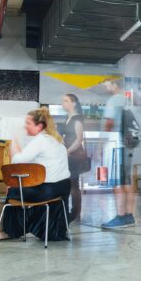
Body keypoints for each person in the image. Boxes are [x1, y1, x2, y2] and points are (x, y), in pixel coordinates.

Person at [4, 107, 72, 240]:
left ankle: (13, 231)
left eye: (28, 123)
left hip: (47, 191)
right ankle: (45, 230)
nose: (26, 126)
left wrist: (14, 141)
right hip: (63, 189)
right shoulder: (57, 140)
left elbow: (17, 161)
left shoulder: (41, 140)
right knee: (24, 189)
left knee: (12, 190)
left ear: (39, 126)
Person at [101, 79, 137, 228]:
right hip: (127, 145)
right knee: (127, 181)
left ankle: (120, 216)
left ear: (115, 85)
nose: (105, 86)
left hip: (116, 144)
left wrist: (101, 142)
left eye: (107, 83)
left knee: (117, 181)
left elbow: (109, 123)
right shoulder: (127, 100)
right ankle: (129, 215)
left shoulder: (114, 100)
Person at [60, 94, 89, 222]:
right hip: (69, 155)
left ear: (74, 103)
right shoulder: (68, 117)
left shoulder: (77, 119)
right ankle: (70, 212)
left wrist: (68, 151)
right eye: (63, 101)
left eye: (66, 101)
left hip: (75, 156)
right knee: (69, 184)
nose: (63, 103)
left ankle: (75, 213)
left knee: (73, 185)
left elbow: (79, 139)